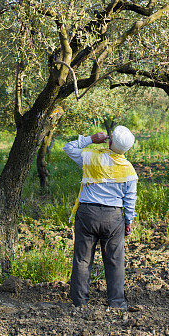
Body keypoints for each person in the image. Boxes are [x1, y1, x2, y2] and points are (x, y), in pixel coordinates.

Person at [64, 125, 138, 309]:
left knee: (83, 259)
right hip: (113, 217)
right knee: (115, 261)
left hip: (87, 214)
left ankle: (79, 302)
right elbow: (130, 199)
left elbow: (69, 147)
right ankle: (117, 302)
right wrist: (128, 221)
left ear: (110, 141)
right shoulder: (128, 170)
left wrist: (90, 139)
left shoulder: (91, 158)